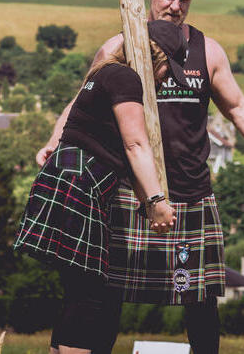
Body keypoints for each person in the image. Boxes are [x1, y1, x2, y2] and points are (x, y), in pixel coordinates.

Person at [36, 0, 244, 354]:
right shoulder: (120, 47)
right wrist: (53, 141)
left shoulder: (207, 51)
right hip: (129, 191)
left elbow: (238, 107)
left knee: (200, 300)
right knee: (106, 293)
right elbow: (82, 101)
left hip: (191, 192)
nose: (176, 6)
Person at [15, 22, 184, 354]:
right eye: (167, 69)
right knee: (91, 293)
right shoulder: (125, 78)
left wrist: (147, 202)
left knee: (79, 289)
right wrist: (157, 200)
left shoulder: (104, 72)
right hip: (82, 183)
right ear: (153, 57)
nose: (165, 80)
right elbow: (135, 145)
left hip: (68, 178)